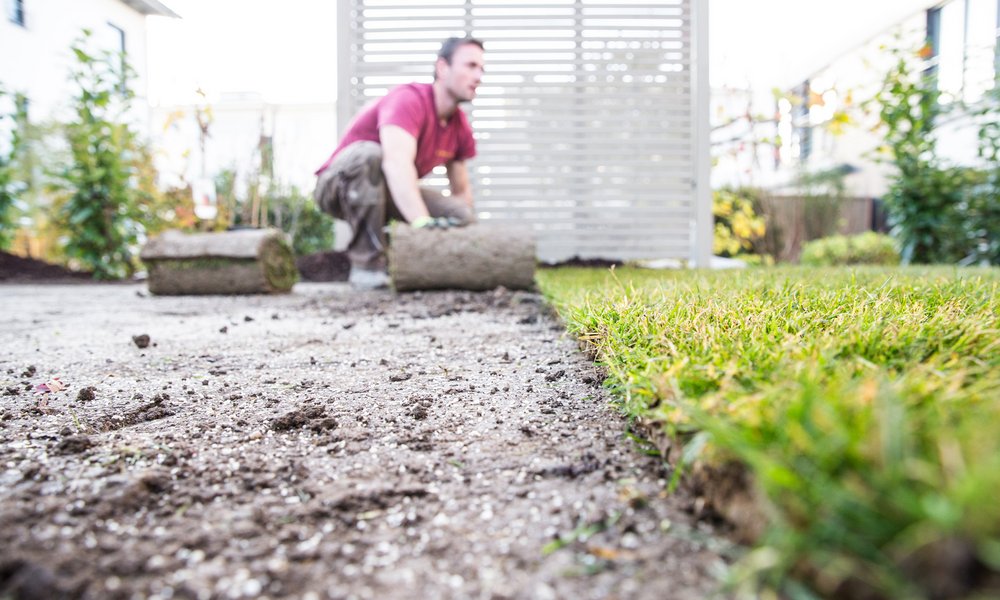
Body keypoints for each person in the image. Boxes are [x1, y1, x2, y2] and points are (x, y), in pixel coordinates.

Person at [313, 37, 485, 289]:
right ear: (442, 68)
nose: (478, 76)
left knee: (458, 214)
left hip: (385, 191)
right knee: (371, 155)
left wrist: (468, 233)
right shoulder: (409, 99)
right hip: (337, 186)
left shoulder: (459, 126)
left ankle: (414, 263)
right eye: (470, 66)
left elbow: (462, 195)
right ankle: (366, 265)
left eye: (481, 69)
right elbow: (396, 164)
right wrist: (422, 223)